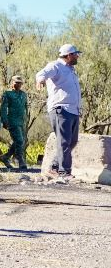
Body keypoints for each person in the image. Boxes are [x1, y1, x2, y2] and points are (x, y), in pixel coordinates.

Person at [35, 43, 82, 178]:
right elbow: (41, 73)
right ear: (69, 55)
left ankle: (54, 167)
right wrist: (41, 80)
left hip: (73, 110)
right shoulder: (56, 65)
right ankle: (64, 171)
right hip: (61, 109)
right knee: (64, 140)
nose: (77, 56)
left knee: (71, 141)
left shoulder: (71, 69)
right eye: (75, 54)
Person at [0, 75, 30, 171]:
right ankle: (21, 160)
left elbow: (26, 108)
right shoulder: (7, 94)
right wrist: (4, 121)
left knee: (20, 141)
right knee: (19, 141)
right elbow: (3, 108)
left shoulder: (24, 95)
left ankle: (6, 157)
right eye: (16, 82)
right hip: (12, 121)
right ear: (12, 83)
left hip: (22, 121)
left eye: (20, 83)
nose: (18, 84)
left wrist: (26, 119)